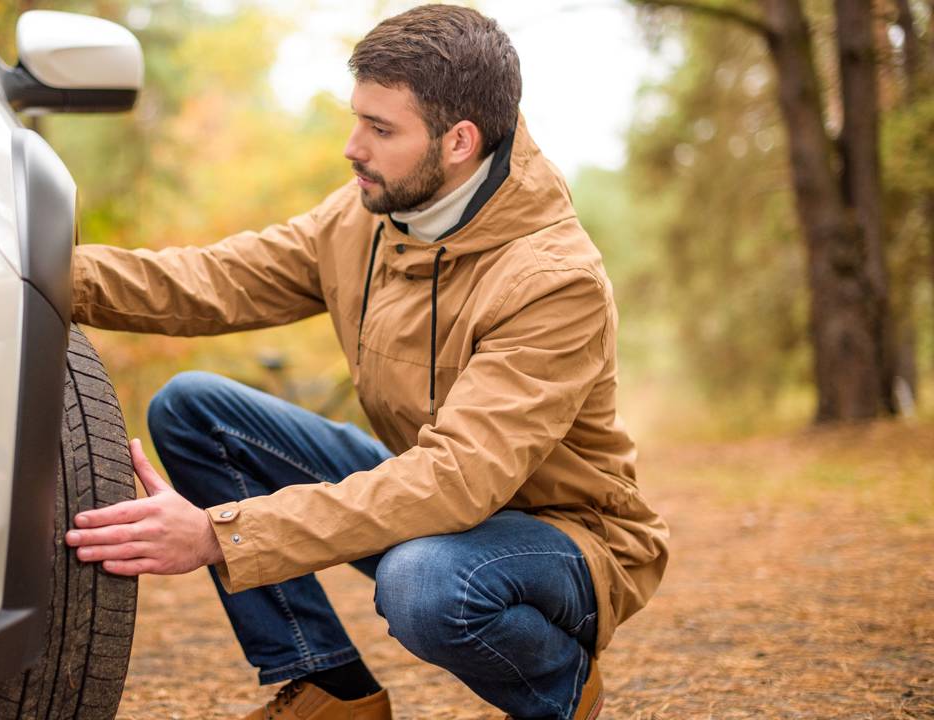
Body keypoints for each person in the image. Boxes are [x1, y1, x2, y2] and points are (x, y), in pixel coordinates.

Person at [63, 4, 669, 719]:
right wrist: (42, 273)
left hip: (565, 540)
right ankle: (331, 691)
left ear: (460, 141)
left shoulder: (552, 280)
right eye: (358, 120)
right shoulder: (367, 216)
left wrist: (219, 535)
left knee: (424, 584)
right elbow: (213, 281)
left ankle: (559, 692)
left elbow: (456, 480)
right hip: (435, 497)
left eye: (381, 130)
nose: (353, 147)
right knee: (194, 410)